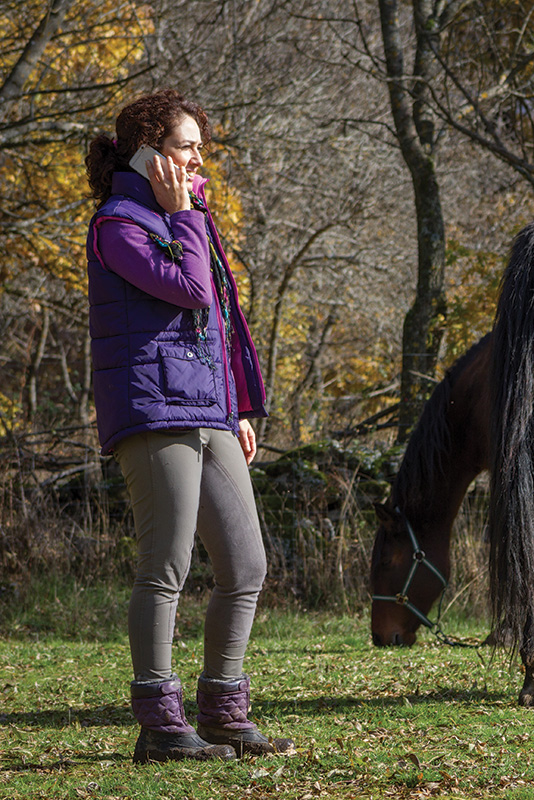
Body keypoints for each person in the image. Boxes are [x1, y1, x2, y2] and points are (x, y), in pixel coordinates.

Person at [84, 89, 292, 763]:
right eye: (187, 145)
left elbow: (215, 325)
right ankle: (161, 725)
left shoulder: (183, 218)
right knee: (165, 567)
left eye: (200, 145)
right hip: (151, 411)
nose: (199, 157)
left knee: (247, 564)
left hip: (208, 410)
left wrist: (236, 405)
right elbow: (193, 291)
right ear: (149, 154)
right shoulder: (119, 225)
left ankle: (224, 711)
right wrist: (182, 217)